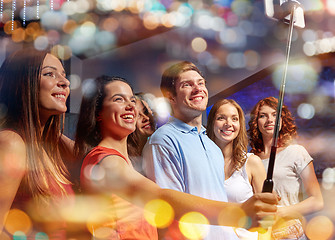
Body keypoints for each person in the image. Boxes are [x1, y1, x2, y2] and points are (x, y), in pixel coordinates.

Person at [74, 75, 278, 240]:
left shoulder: (124, 161)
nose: (130, 106)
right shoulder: (105, 160)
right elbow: (161, 197)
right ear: (98, 112)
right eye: (118, 99)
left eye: (132, 100)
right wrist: (239, 212)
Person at [142, 61, 266, 239]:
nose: (198, 89)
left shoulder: (211, 146)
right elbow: (167, 209)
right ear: (171, 97)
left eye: (200, 83)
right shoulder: (163, 141)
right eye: (187, 85)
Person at [0, 47, 75, 239]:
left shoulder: (50, 145)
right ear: (22, 83)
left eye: (64, 76)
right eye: (50, 74)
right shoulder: (12, 143)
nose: (64, 82)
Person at [248, 96, 324, 240]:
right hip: (259, 234)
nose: (269, 120)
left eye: (275, 115)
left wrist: (280, 212)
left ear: (282, 120)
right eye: (263, 115)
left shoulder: (296, 152)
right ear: (255, 122)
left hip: (289, 232)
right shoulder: (250, 158)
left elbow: (317, 200)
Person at [127, 93, 156, 174]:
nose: (146, 118)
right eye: (138, 116)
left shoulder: (156, 148)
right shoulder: (128, 160)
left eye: (146, 112)